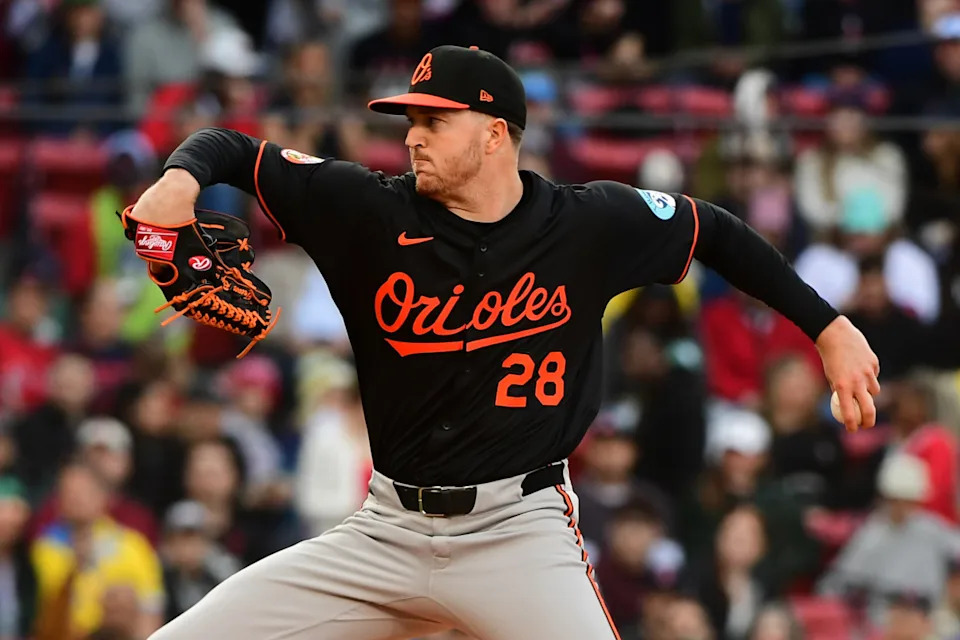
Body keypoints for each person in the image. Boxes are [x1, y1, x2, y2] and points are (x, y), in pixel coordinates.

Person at [126, 44, 880, 639]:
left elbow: (712, 230)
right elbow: (231, 147)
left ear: (494, 136)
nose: (413, 138)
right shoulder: (364, 209)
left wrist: (829, 327)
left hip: (517, 534)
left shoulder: (587, 225)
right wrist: (180, 175)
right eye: (410, 122)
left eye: (433, 121)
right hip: (384, 533)